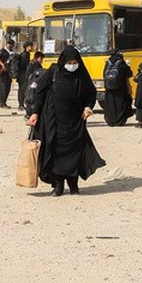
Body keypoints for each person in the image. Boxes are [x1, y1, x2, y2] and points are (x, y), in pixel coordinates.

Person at [26, 46, 105, 196]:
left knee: (75, 152)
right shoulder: (54, 71)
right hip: (54, 120)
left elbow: (91, 92)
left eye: (75, 62)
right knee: (55, 151)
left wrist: (88, 107)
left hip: (75, 121)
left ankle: (73, 185)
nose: (73, 65)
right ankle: (58, 185)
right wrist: (35, 112)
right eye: (70, 62)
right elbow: (40, 91)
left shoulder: (81, 73)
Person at [101, 49, 133, 126]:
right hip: (120, 89)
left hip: (109, 89)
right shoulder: (121, 63)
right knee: (120, 105)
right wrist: (128, 66)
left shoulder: (107, 63)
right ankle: (120, 121)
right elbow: (129, 74)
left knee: (110, 104)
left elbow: (104, 75)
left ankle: (111, 121)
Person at [0, 42, 14, 108]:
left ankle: (4, 102)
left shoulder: (12, 53)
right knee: (3, 88)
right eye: (8, 44)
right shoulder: (2, 51)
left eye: (11, 44)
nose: (9, 45)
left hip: (8, 73)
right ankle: (2, 103)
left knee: (7, 88)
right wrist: (2, 65)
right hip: (2, 73)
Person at [14, 41, 34, 109]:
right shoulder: (25, 55)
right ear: (27, 47)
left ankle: (22, 104)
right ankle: (21, 105)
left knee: (22, 90)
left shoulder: (25, 54)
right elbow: (24, 66)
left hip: (21, 75)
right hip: (23, 75)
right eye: (31, 46)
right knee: (22, 90)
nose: (32, 48)